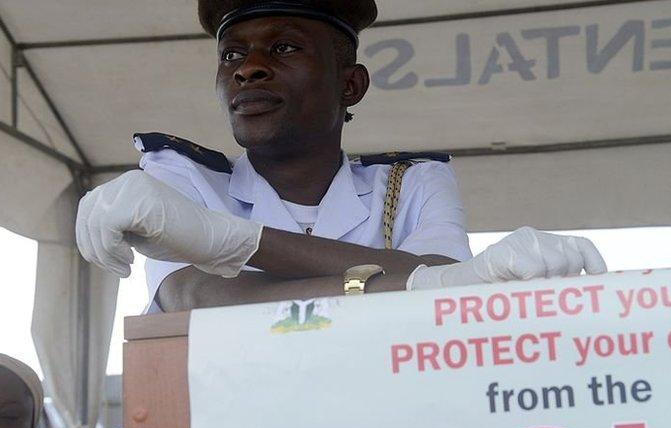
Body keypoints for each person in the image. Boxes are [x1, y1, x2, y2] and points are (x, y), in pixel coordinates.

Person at [76, 0, 607, 313]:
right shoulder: (180, 175)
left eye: (284, 48)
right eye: (232, 56)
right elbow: (196, 297)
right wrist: (401, 281)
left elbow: (440, 288)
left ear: (350, 85)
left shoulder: (411, 181)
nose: (248, 69)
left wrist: (238, 244)